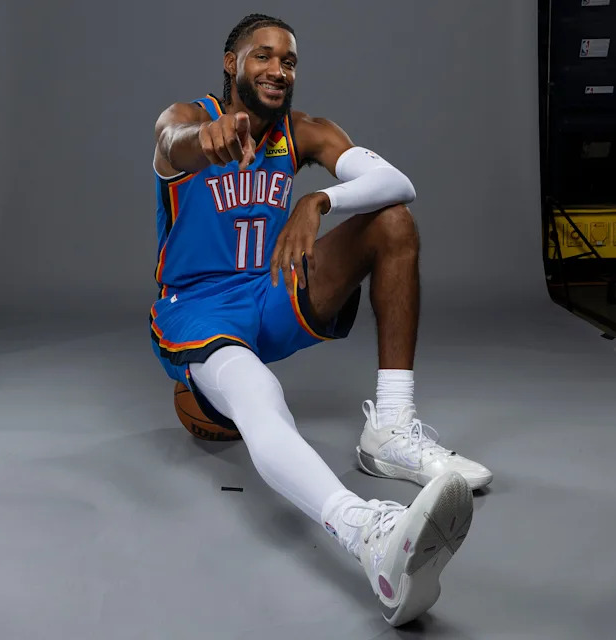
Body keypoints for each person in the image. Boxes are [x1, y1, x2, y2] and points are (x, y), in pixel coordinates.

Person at [150, 13, 492, 626]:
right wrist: (201, 141)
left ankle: (389, 427)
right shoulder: (191, 117)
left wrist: (319, 199)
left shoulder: (302, 133)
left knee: (392, 221)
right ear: (232, 63)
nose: (278, 69)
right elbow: (169, 141)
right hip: (199, 306)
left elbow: (397, 181)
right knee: (257, 390)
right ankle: (368, 538)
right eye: (263, 56)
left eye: (289, 60)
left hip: (271, 291)